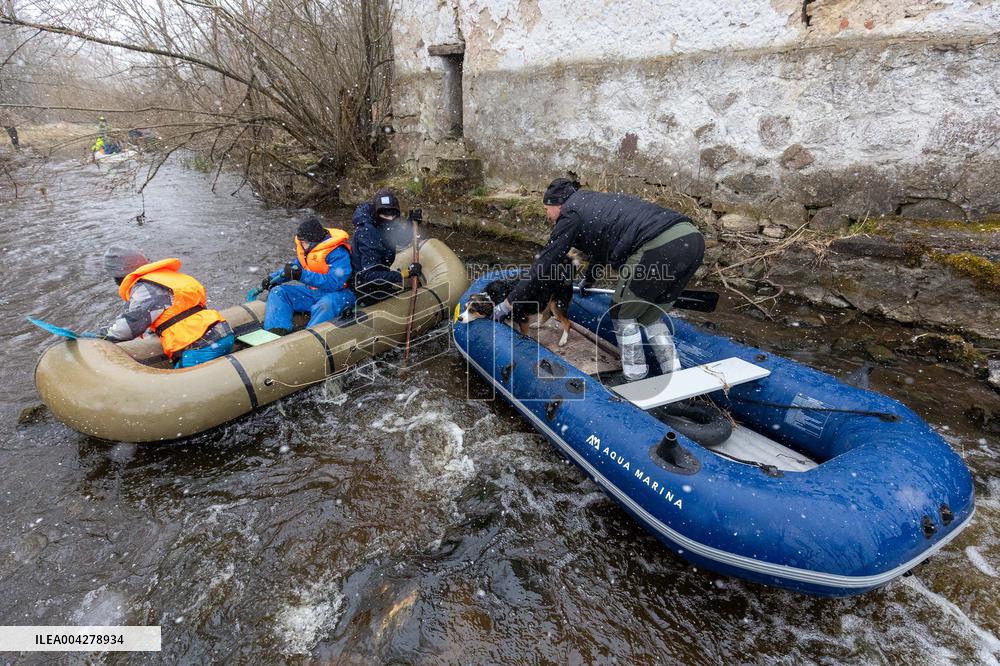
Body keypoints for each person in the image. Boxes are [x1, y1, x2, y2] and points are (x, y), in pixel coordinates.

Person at [496, 178, 705, 382]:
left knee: (622, 312)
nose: (548, 216)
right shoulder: (590, 203)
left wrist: (506, 305)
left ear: (557, 205)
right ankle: (674, 373)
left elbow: (543, 266)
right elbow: (600, 247)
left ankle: (635, 376)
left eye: (546, 210)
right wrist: (588, 280)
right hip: (692, 240)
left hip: (659, 245)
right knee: (650, 315)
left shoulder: (570, 215)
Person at [100, 246, 235, 368]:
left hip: (199, 346)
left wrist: (99, 336)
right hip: (221, 332)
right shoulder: (165, 277)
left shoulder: (146, 289)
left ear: (119, 276)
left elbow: (127, 328)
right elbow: (176, 312)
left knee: (182, 386)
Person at [257, 215, 356, 335]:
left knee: (326, 304)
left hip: (339, 294)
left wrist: (303, 276)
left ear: (314, 241)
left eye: (304, 242)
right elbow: (294, 269)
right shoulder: (307, 251)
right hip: (312, 293)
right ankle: (277, 331)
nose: (301, 245)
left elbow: (335, 283)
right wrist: (273, 279)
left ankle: (308, 337)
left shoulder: (338, 253)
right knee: (279, 292)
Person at [350, 188, 422, 303]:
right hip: (364, 287)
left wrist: (410, 222)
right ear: (376, 213)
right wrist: (404, 273)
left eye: (393, 215)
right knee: (395, 300)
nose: (390, 218)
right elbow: (369, 275)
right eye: (385, 215)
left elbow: (401, 240)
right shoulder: (368, 233)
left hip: (380, 274)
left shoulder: (388, 222)